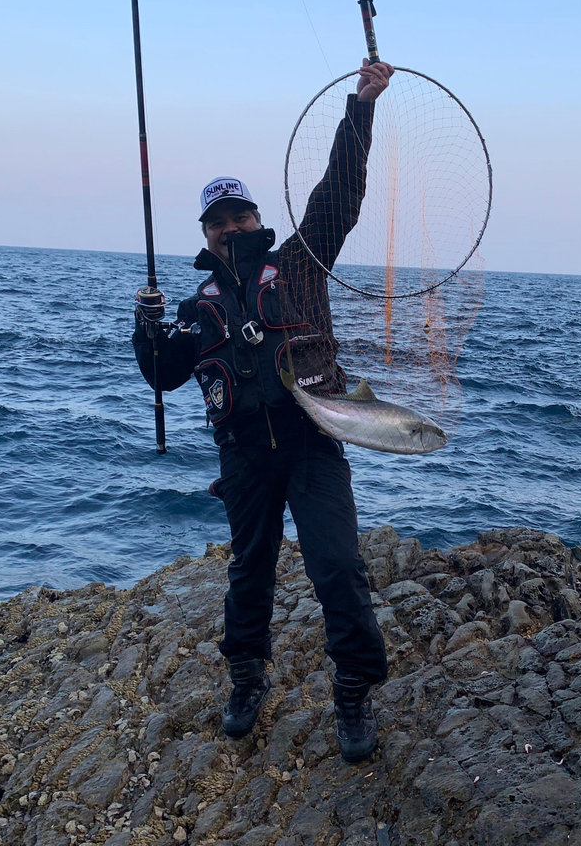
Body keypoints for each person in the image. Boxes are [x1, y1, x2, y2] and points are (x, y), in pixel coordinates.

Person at [133, 61, 395, 763]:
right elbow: (163, 375)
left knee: (337, 565)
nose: (230, 227)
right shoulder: (193, 309)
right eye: (217, 221)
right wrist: (146, 329)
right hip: (243, 458)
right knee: (249, 571)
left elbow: (339, 195)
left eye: (239, 215)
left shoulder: (302, 263)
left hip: (314, 444)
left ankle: (354, 692)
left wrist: (360, 109)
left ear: (256, 219)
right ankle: (247, 679)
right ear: (206, 232)